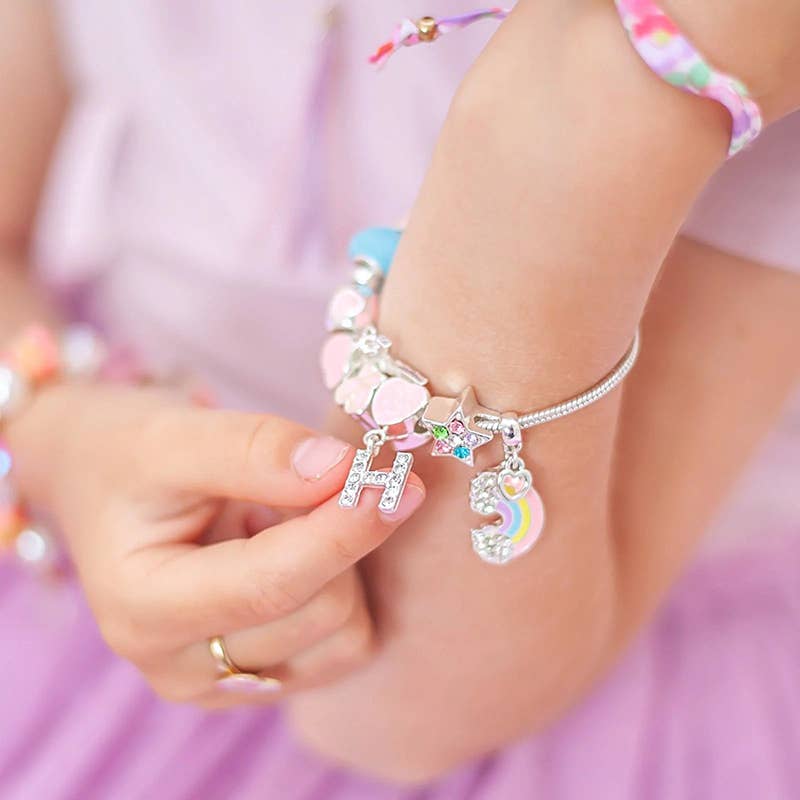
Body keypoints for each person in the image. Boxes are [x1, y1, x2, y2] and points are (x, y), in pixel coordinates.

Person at [1, 0, 798, 797]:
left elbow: (392, 714)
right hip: (84, 579)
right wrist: (56, 429)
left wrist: (590, 100)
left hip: (573, 698)